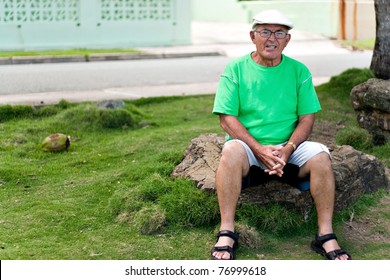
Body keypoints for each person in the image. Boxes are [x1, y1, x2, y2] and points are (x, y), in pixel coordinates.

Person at [211, 9, 352, 260]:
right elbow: (226, 119)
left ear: (287, 40)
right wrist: (259, 149)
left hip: (289, 146)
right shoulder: (235, 69)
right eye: (265, 31)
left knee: (321, 156)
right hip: (248, 147)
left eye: (279, 33)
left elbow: (307, 118)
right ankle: (227, 231)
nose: (272, 38)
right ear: (252, 36)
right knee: (230, 150)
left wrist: (288, 149)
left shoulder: (298, 71)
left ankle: (325, 235)